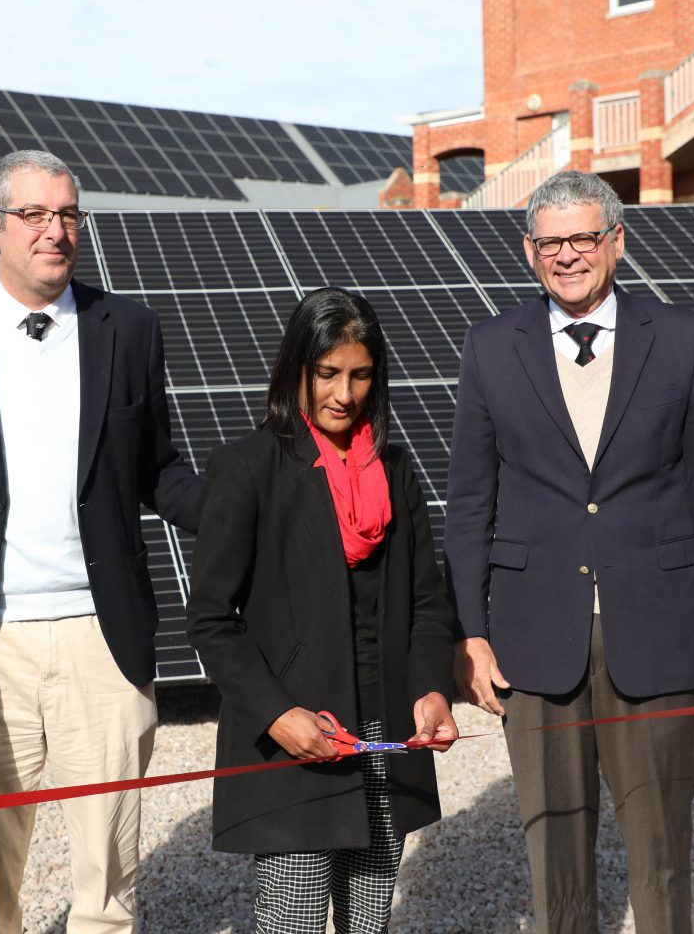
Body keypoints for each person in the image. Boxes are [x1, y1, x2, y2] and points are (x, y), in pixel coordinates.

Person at [444, 170, 694, 934]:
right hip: (533, 639)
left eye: (583, 238)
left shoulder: (683, 338)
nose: (568, 255)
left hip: (660, 631)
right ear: (530, 251)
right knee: (554, 859)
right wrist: (470, 634)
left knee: (661, 851)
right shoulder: (492, 347)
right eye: (551, 242)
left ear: (616, 241)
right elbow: (469, 507)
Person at [0, 149, 202, 934]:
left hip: (105, 636)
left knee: (109, 881)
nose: (55, 232)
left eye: (68, 215)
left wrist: (263, 508)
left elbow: (158, 470)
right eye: (34, 215)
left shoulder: (127, 328)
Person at [187, 287, 459, 934]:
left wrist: (430, 690)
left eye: (361, 374)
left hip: (384, 735)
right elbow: (210, 618)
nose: (345, 392)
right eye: (329, 373)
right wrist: (278, 715)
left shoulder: (394, 470)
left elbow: (427, 602)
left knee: (369, 925)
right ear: (297, 371)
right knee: (294, 922)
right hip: (296, 741)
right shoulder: (246, 468)